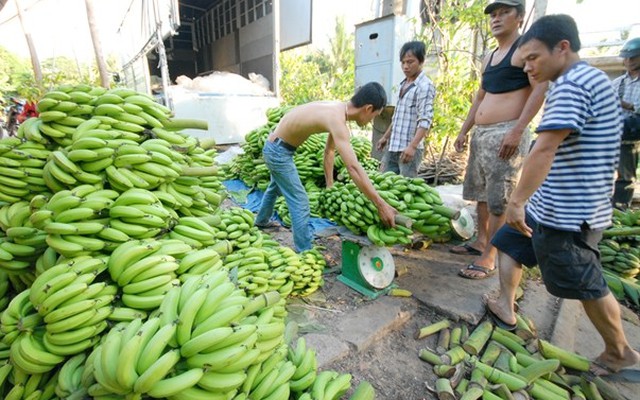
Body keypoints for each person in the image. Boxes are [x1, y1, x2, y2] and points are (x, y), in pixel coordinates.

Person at [485, 14, 640, 375]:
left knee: (585, 282)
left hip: (571, 208)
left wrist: (517, 200)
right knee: (508, 242)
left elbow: (544, 147)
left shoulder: (573, 84)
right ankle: (506, 305)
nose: (528, 69)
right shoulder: (588, 80)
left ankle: (621, 352)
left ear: (563, 48)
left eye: (534, 58)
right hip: (554, 199)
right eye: (524, 62)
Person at [451, 0, 548, 280]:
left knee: (499, 199)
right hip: (483, 135)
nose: (496, 18)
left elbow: (539, 87)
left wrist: (518, 129)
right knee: (481, 194)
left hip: (505, 132)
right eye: (493, 14)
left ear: (519, 18)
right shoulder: (490, 56)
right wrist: (465, 128)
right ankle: (481, 241)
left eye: (504, 13)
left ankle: (491, 255)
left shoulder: (523, 51)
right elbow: (480, 96)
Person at [255, 82, 398, 252]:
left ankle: (261, 221)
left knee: (275, 187)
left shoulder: (337, 109)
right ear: (368, 108)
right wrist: (380, 204)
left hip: (275, 146)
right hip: (278, 152)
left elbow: (329, 152)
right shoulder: (337, 121)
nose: (371, 121)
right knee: (300, 202)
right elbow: (353, 168)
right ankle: (305, 251)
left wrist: (330, 184)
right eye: (374, 115)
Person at [376, 41, 435, 178]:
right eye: (403, 62)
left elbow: (425, 120)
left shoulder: (424, 86)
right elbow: (397, 117)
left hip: (408, 150)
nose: (405, 66)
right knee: (384, 183)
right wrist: (385, 137)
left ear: (421, 61)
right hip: (393, 147)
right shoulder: (404, 84)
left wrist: (412, 147)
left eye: (410, 62)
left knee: (406, 189)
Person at [611, 37, 640, 210]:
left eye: (633, 57)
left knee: (625, 177)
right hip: (612, 133)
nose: (628, 61)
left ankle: (620, 211)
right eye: (626, 57)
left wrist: (625, 105)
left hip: (630, 137)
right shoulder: (617, 82)